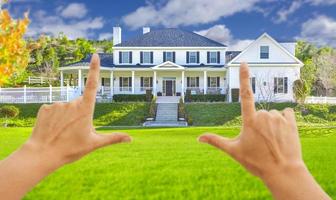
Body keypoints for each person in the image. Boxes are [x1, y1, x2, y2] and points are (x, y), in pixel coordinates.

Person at [0, 54, 331, 200]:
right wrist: (288, 170)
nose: (168, 90)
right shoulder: (136, 70)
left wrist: (36, 152)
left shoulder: (202, 71)